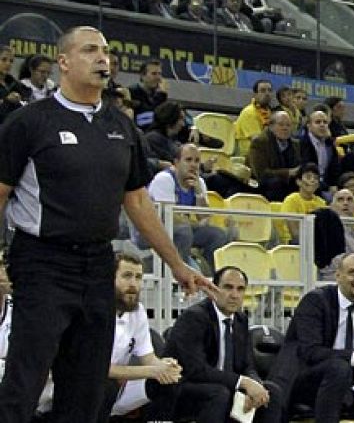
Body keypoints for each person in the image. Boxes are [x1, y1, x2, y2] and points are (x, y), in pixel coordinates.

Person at [0, 26, 213, 423]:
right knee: (25, 381)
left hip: (99, 264)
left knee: (86, 386)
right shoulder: (28, 122)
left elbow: (137, 202)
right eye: (90, 50)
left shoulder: (122, 127)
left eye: (106, 51)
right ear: (63, 62)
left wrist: (178, 264)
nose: (103, 58)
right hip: (42, 262)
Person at [39, 254, 231, 422]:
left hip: (115, 388)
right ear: (109, 279)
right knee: (103, 386)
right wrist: (152, 370)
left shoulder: (137, 311)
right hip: (70, 390)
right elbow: (98, 368)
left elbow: (148, 358)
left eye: (138, 277)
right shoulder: (90, 311)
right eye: (127, 276)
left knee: (169, 380)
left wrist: (165, 366)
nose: (133, 284)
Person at [273, 253, 354, 423]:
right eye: (353, 273)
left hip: (346, 378)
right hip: (305, 377)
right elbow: (310, 352)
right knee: (339, 367)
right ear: (338, 276)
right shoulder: (315, 301)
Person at [166, 265, 284, 423]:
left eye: (240, 289)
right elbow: (196, 371)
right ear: (214, 289)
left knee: (271, 392)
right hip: (185, 388)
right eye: (228, 287)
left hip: (225, 385)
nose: (234, 295)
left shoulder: (241, 320)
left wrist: (256, 386)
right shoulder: (194, 318)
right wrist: (243, 382)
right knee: (219, 393)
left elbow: (247, 365)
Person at [144, 142, 231, 272]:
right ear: (176, 163)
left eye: (197, 161)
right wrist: (197, 224)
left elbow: (205, 218)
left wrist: (198, 193)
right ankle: (176, 276)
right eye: (188, 160)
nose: (193, 165)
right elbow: (169, 217)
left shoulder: (199, 182)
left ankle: (210, 276)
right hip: (155, 229)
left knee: (218, 235)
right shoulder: (165, 179)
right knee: (184, 231)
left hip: (185, 229)